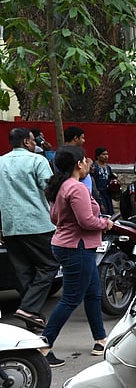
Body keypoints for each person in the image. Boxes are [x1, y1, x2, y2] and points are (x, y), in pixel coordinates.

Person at [42, 146, 115, 362]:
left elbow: (55, 219)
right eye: (85, 161)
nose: (87, 164)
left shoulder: (60, 186)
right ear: (78, 164)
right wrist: (106, 223)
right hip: (78, 247)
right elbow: (87, 221)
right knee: (71, 298)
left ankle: (100, 340)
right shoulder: (77, 188)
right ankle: (43, 346)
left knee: (93, 292)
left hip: (67, 244)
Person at [0, 128, 59, 352]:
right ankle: (28, 308)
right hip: (37, 222)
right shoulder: (37, 160)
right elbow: (49, 188)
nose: (36, 144)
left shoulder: (1, 162)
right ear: (26, 141)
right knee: (50, 264)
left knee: (23, 270)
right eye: (34, 140)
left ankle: (31, 318)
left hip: (11, 225)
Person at [91, 147, 117, 215]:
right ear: (98, 156)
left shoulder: (108, 167)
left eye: (107, 154)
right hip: (99, 192)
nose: (106, 156)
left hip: (107, 192)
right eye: (103, 154)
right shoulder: (94, 167)